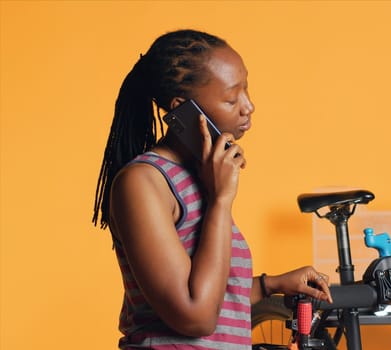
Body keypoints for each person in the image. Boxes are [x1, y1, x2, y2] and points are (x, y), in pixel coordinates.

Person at [92, 29, 332, 349]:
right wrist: (220, 201)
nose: (249, 107)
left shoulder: (201, 178)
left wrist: (271, 284)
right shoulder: (143, 183)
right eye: (232, 98)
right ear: (183, 110)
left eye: (246, 90)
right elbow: (196, 317)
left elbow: (213, 296)